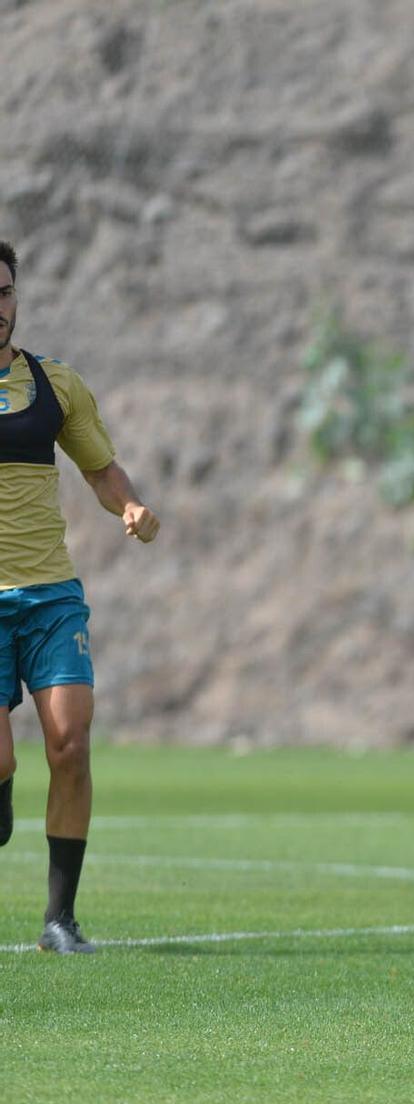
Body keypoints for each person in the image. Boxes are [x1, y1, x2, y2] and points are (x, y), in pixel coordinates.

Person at [0, 240, 161, 953]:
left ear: (16, 297)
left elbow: (100, 469)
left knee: (70, 744)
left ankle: (59, 921)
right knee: (2, 764)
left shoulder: (54, 384)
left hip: (50, 598)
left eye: (3, 291)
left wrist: (128, 505)